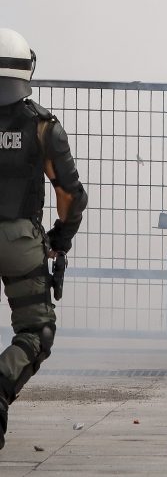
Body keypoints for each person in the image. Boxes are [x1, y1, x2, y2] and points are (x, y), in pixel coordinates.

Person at [0, 28, 86, 448]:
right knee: (36, 331)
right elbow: (71, 193)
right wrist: (60, 239)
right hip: (20, 242)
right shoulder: (42, 127)